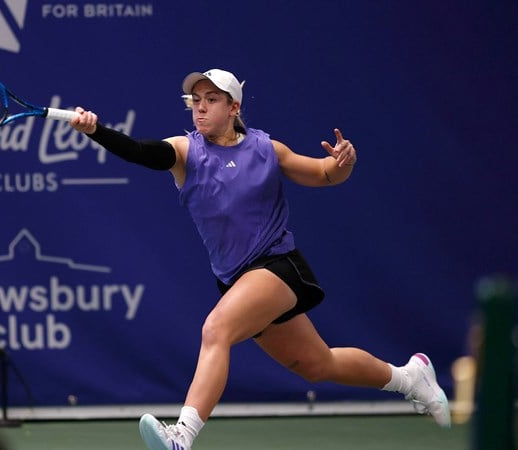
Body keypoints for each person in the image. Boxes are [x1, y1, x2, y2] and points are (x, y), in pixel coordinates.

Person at [70, 69, 451, 450]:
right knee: (318, 365)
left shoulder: (267, 149)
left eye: (211, 100)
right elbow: (139, 151)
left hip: (277, 266)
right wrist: (96, 130)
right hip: (239, 279)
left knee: (216, 330)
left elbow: (323, 173)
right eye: (195, 101)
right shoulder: (186, 151)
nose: (200, 109)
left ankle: (181, 436)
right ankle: (410, 377)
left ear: (234, 107)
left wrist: (342, 163)